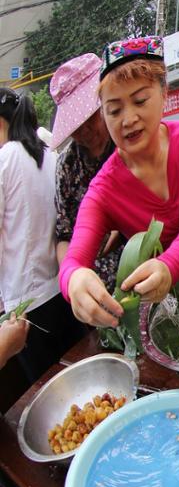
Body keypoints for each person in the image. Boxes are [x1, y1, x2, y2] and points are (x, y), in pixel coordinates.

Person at [60, 36, 179, 329]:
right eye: (114, 110)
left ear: (164, 93)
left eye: (140, 101)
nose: (128, 119)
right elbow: (73, 260)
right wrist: (74, 281)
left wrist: (169, 265)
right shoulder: (103, 191)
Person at [0, 87, 83, 381]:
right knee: (78, 370)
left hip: (27, 306)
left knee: (52, 387)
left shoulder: (4, 159)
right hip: (62, 289)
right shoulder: (48, 154)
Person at [50, 53, 120, 293]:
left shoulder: (129, 142)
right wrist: (72, 279)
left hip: (148, 269)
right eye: (75, 125)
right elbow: (64, 234)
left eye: (89, 119)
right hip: (97, 287)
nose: (83, 130)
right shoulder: (67, 165)